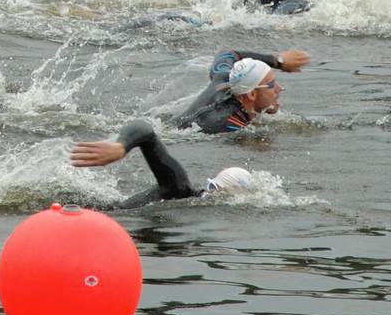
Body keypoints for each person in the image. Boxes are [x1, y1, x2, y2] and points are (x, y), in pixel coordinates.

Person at [70, 119, 254, 210]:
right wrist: (121, 147)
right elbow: (145, 130)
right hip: (100, 215)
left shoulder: (185, 195)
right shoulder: (179, 188)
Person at [175, 50, 310, 134]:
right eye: (271, 85)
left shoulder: (225, 77)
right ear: (251, 94)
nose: (280, 88)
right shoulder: (229, 125)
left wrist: (276, 61)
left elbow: (228, 54)